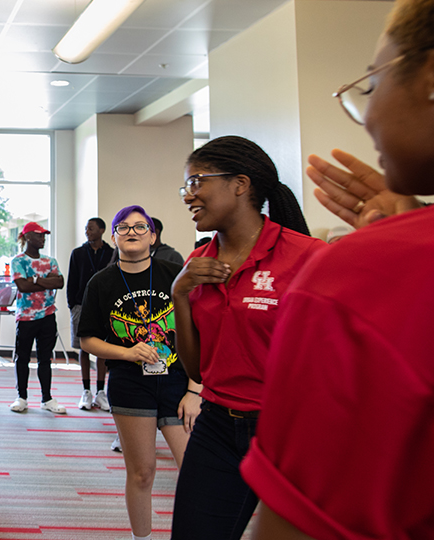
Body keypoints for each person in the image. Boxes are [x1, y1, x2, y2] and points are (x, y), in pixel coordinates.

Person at [240, 1, 434, 538]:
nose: (366, 113)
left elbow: (295, 524)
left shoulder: (351, 278)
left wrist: (393, 260)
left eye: (372, 83)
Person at [170, 136, 326, 540]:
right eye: (187, 185)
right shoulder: (197, 262)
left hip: (288, 431)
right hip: (217, 425)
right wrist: (179, 294)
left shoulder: (307, 257)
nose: (189, 195)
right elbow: (199, 368)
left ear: (240, 184)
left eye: (197, 181)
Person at [78, 205, 196, 540]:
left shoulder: (176, 274)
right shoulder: (101, 282)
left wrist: (194, 390)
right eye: (123, 227)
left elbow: (198, 334)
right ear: (114, 237)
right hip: (131, 384)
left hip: (177, 383)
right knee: (142, 472)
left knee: (195, 470)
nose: (132, 232)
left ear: (153, 236)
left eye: (140, 227)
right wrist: (127, 353)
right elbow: (87, 340)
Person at [9, 221, 66, 414]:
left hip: (48, 316)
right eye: (39, 235)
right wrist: (45, 282)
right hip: (25, 317)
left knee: (45, 358)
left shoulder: (50, 261)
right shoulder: (18, 260)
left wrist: (33, 279)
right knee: (22, 357)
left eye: (44, 235)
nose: (43, 239)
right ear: (27, 237)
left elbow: (59, 282)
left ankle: (47, 398)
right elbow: (22, 287)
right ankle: (22, 397)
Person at [66, 217, 114, 411]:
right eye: (86, 229)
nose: (88, 232)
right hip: (80, 306)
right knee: (83, 348)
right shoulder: (78, 253)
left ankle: (101, 391)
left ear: (102, 230)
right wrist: (72, 306)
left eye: (92, 228)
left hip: (104, 308)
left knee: (102, 349)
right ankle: (86, 390)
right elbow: (71, 281)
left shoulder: (112, 253)